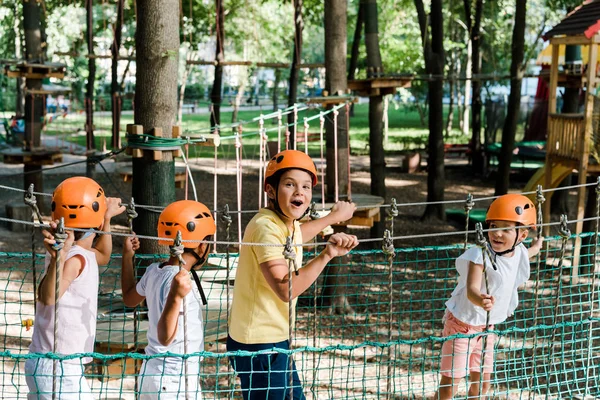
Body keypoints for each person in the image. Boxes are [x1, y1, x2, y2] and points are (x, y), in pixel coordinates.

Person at [227, 149, 359, 399]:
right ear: (270, 190)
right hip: (259, 344)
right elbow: (285, 288)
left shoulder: (282, 224)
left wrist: (333, 217)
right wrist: (327, 255)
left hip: (272, 339)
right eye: (290, 184)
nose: (300, 192)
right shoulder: (266, 228)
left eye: (307, 186)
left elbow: (298, 235)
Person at [436, 194, 544, 399]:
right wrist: (481, 299)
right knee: (452, 381)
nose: (497, 233)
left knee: (483, 382)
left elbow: (526, 254)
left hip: (487, 327)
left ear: (522, 236)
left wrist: (537, 247)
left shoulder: (518, 251)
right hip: (462, 324)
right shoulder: (480, 254)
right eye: (494, 226)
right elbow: (471, 289)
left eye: (506, 229)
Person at [26, 177, 125, 399]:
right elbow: (48, 297)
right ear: (96, 224)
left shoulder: (79, 253)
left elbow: (104, 256)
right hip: (56, 366)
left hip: (54, 364)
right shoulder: (73, 259)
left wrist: (107, 218)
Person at [122, 200, 216, 399]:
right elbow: (165, 338)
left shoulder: (154, 271)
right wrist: (175, 296)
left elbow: (130, 298)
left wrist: (127, 256)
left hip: (151, 373)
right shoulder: (180, 285)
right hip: (175, 380)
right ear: (202, 246)